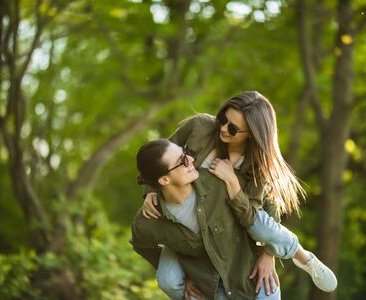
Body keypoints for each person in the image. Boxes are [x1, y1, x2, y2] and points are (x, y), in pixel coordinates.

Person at [141, 91, 337, 298]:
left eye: (233, 128)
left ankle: (304, 258)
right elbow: (157, 158)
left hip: (229, 230)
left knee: (261, 228)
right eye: (223, 119)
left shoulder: (257, 166)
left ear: (251, 133)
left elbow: (267, 211)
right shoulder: (198, 128)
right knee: (168, 280)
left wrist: (269, 254)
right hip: (186, 227)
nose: (224, 129)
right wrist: (151, 192)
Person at [132, 139, 281, 299]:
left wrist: (268, 254)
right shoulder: (148, 221)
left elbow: (266, 194)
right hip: (211, 291)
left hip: (259, 282)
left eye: (185, 153)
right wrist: (184, 277)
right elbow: (141, 245)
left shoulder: (218, 178)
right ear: (164, 180)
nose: (191, 160)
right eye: (181, 161)